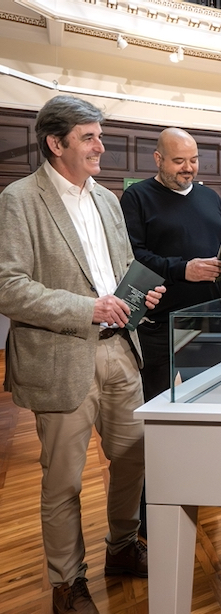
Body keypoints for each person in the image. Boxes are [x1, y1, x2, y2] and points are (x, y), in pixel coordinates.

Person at [0, 95, 164, 614]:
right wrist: (89, 307)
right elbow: (8, 285)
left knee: (132, 459)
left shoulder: (109, 200)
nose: (101, 145)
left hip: (121, 351)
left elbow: (121, 268)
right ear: (56, 143)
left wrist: (139, 295)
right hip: (61, 357)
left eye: (99, 134)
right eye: (90, 137)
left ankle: (122, 547)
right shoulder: (20, 199)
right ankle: (67, 581)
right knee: (64, 480)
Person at [120, 128, 221, 401]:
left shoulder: (211, 198)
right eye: (179, 161)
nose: (188, 168)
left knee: (209, 394)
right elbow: (132, 256)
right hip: (159, 321)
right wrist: (183, 269)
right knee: (156, 399)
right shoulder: (137, 197)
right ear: (158, 159)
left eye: (194, 159)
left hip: (209, 316)